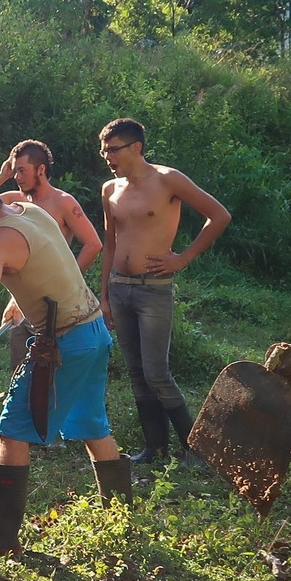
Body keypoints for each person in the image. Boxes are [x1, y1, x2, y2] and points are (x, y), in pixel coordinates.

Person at [0, 155, 129, 551]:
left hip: (65, 343)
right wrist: (24, 297)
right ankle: (123, 522)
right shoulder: (28, 209)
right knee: (92, 425)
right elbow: (52, 261)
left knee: (11, 431)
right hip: (94, 332)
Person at [98, 118, 232, 465]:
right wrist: (103, 294)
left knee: (156, 372)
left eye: (113, 149)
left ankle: (196, 448)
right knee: (136, 372)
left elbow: (218, 215)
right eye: (104, 149)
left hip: (153, 289)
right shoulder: (109, 189)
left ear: (136, 148)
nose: (107, 155)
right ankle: (154, 447)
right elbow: (109, 244)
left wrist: (183, 258)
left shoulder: (167, 179)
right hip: (120, 287)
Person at [0, 139, 104, 369]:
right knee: (20, 368)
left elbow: (93, 244)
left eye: (22, 171)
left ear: (41, 170)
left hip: (55, 302)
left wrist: (67, 277)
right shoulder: (15, 200)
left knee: (51, 371)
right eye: (15, 172)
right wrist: (2, 175)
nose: (18, 177)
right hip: (22, 301)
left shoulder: (63, 202)